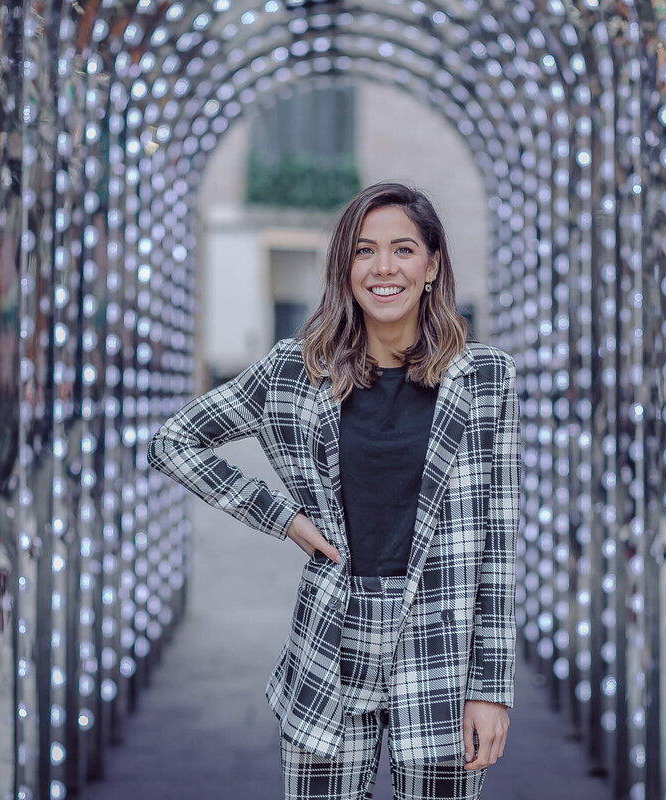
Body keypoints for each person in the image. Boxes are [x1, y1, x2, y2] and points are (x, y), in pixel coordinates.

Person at [148, 182, 520, 800]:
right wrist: (284, 518)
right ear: (344, 267)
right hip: (331, 646)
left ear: (432, 266)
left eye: (403, 250)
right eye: (365, 250)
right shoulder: (296, 370)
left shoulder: (484, 379)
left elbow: (498, 546)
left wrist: (490, 688)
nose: (383, 268)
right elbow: (174, 442)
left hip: (439, 651)